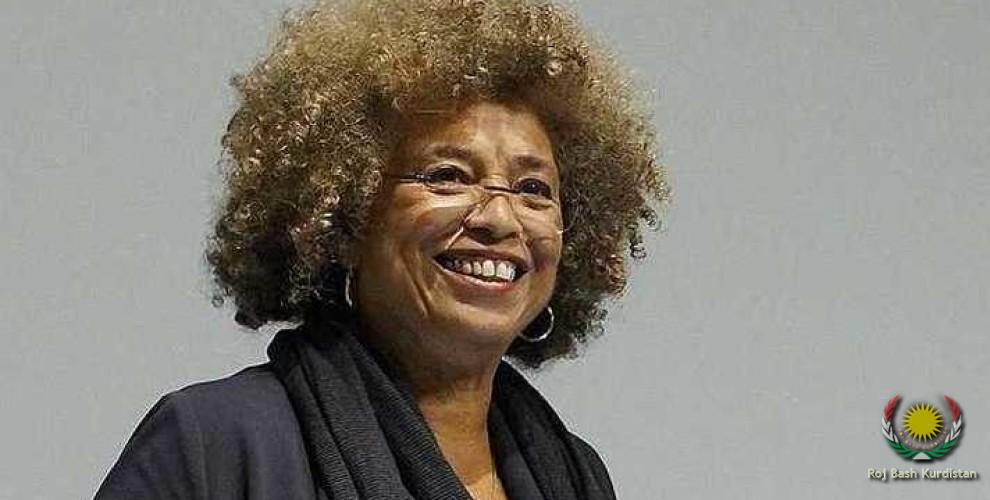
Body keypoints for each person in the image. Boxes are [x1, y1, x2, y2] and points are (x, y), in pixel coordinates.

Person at [95, 0, 667, 499]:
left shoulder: (574, 475)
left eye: (533, 189)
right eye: (448, 176)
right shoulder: (215, 445)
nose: (499, 217)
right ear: (343, 216)